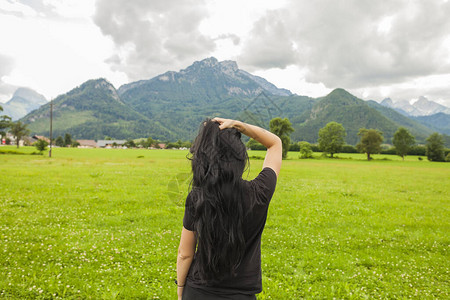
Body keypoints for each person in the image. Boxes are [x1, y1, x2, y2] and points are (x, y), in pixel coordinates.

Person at [176, 118, 282, 299]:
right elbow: (275, 143)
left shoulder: (197, 197)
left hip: (197, 292)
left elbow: (185, 254)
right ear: (240, 157)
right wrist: (242, 126)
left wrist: (181, 292)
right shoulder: (260, 192)